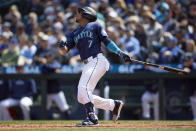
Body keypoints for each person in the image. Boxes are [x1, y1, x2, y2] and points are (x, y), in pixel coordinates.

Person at [58, 6, 131, 126]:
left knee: (83, 88)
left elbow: (107, 41)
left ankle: (91, 117)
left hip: (97, 60)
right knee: (81, 97)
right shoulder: (74, 32)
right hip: (87, 64)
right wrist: (62, 47)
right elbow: (65, 50)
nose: (77, 14)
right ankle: (114, 105)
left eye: (80, 12)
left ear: (87, 14)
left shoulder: (95, 25)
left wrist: (120, 52)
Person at [41, 53, 70, 120]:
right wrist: (52, 70)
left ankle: (70, 123)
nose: (48, 58)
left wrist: (49, 67)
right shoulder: (45, 66)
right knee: (44, 109)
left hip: (57, 92)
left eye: (50, 57)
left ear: (52, 57)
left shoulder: (56, 64)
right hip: (47, 92)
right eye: (47, 57)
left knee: (65, 108)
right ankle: (44, 124)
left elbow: (57, 69)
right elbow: (44, 71)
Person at [183, 53, 196, 121]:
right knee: (193, 100)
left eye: (187, 60)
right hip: (189, 90)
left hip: (194, 89)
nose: (186, 62)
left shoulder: (194, 67)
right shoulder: (184, 66)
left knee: (194, 100)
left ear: (191, 60)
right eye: (185, 60)